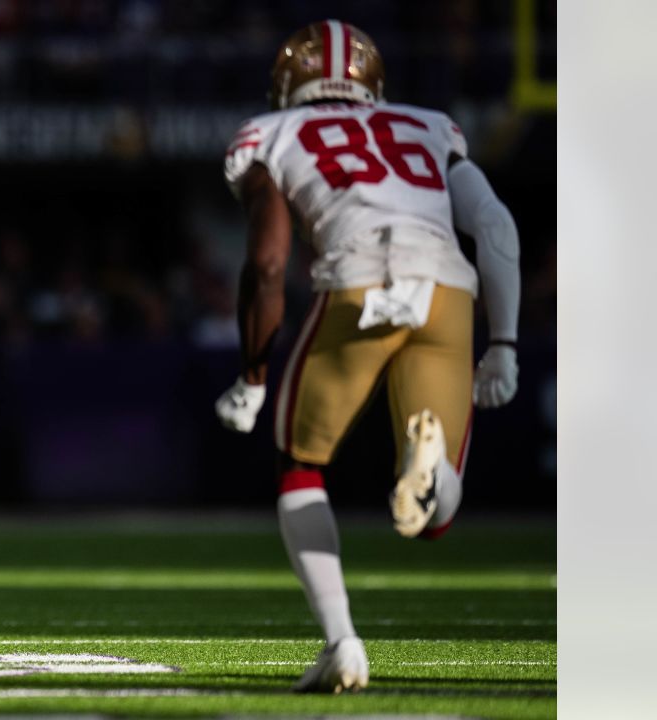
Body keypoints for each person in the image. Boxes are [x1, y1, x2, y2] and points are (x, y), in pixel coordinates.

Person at [214, 20, 520, 693]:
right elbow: (495, 225)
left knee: (299, 465)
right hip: (447, 290)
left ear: (287, 84)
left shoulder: (270, 134)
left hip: (357, 284)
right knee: (433, 518)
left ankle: (342, 642)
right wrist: (504, 342)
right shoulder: (430, 126)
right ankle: (429, 469)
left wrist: (253, 376)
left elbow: (267, 264)